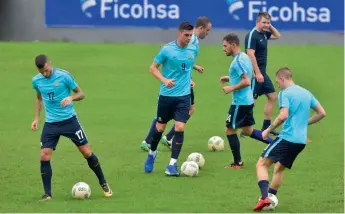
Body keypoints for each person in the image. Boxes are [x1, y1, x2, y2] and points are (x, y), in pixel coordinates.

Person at [31, 55, 112, 201]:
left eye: (47, 70)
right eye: (42, 71)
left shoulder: (64, 76)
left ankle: (103, 183)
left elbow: (81, 94)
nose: (45, 74)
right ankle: (47, 194)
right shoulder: (37, 80)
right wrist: (36, 118)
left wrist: (71, 98)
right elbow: (39, 98)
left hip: (69, 121)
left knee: (86, 152)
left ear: (50, 63)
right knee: (44, 155)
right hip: (51, 124)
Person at [253, 67, 326, 211]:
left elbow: (283, 115)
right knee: (279, 168)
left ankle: (264, 198)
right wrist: (304, 123)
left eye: (277, 82)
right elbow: (322, 113)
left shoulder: (285, 93)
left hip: (288, 138)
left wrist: (267, 130)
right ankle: (271, 196)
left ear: (282, 78)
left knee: (261, 164)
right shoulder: (306, 93)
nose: (277, 85)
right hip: (300, 142)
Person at [140, 16, 212, 151]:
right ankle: (157, 139)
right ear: (201, 28)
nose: (208, 34)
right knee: (184, 111)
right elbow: (178, 57)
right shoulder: (193, 41)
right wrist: (189, 77)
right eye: (207, 30)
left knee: (182, 111)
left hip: (182, 81)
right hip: (180, 84)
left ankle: (160, 138)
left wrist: (194, 67)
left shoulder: (192, 41)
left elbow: (184, 59)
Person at [143, 21, 198, 176]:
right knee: (160, 128)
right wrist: (164, 80)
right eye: (186, 35)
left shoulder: (193, 49)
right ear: (179, 33)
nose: (189, 38)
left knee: (180, 127)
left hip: (184, 96)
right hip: (166, 97)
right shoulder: (167, 50)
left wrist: (191, 77)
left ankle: (172, 164)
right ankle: (152, 153)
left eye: (191, 35)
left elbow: (186, 67)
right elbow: (152, 68)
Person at [220, 33, 274, 169]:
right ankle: (274, 144)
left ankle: (238, 163)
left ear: (233, 45)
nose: (223, 49)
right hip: (248, 100)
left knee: (229, 130)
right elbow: (250, 74)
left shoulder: (237, 61)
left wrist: (231, 87)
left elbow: (246, 80)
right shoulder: (244, 56)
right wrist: (230, 78)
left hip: (240, 102)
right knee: (248, 131)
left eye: (225, 46)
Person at [244, 12, 281, 136]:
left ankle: (266, 126)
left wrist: (268, 26)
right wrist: (257, 73)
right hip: (255, 74)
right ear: (257, 22)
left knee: (272, 97)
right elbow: (250, 54)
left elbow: (278, 35)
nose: (266, 25)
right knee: (251, 100)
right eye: (264, 22)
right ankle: (245, 127)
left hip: (262, 73)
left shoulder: (264, 34)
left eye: (268, 22)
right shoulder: (252, 35)